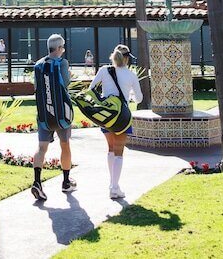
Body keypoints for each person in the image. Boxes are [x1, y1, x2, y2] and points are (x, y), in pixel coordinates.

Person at [89, 44, 142, 199]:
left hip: (106, 115)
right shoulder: (131, 75)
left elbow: (91, 89)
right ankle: (114, 187)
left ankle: (112, 184)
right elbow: (139, 99)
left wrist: (103, 100)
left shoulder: (104, 70)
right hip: (122, 117)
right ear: (126, 58)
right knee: (119, 151)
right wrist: (129, 96)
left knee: (111, 148)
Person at [31, 33, 76, 200]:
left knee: (41, 148)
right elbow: (66, 83)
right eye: (62, 47)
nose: (63, 50)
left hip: (44, 115)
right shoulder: (62, 63)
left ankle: (37, 182)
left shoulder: (38, 65)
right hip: (61, 114)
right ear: (58, 48)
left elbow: (36, 87)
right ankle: (66, 182)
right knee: (65, 145)